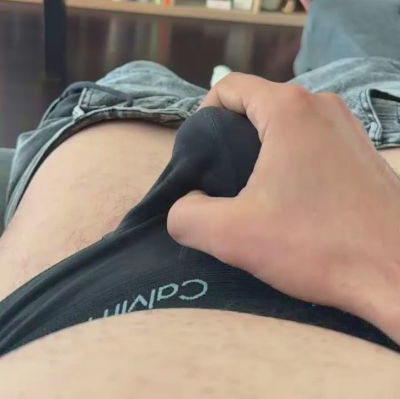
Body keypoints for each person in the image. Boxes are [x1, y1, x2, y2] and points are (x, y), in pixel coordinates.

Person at [1, 58, 400, 397]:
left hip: (127, 111)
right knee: (351, 71)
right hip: (373, 135)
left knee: (140, 70)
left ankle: (222, 82)